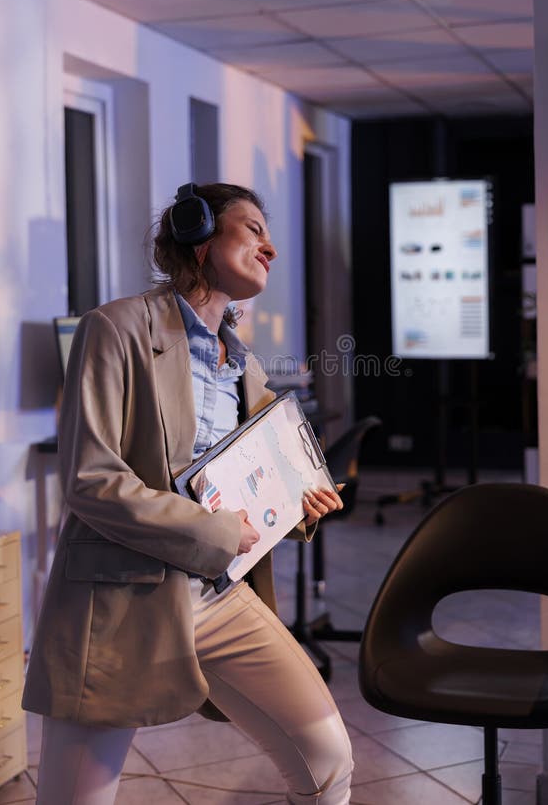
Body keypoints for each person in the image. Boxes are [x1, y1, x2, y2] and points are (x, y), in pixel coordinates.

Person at [23, 183, 353, 804]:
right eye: (252, 228)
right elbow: (92, 480)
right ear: (199, 237)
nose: (270, 247)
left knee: (327, 757)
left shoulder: (242, 362)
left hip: (219, 590)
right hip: (124, 595)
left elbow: (246, 478)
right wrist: (222, 532)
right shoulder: (115, 328)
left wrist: (295, 504)